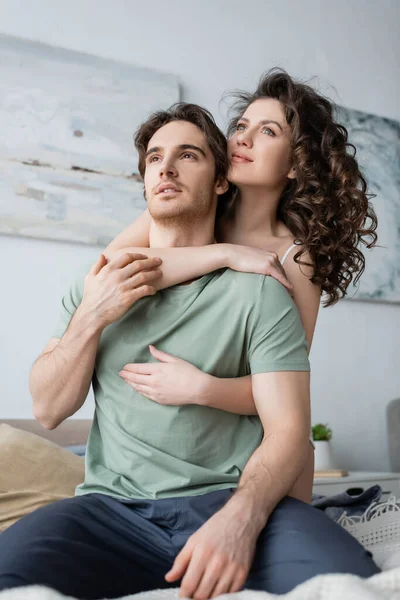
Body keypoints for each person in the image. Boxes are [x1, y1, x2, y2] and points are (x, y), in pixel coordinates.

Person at [0, 102, 379, 600]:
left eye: (187, 156)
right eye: (155, 159)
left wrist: (206, 394)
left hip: (230, 491)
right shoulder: (105, 279)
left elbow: (285, 413)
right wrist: (95, 312)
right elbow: (50, 404)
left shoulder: (278, 274)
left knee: (348, 580)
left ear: (221, 178)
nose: (167, 168)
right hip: (113, 508)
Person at [102, 69, 378, 504]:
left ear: (295, 164)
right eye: (240, 126)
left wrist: (200, 388)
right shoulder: (195, 205)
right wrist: (225, 254)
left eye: (267, 131)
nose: (243, 140)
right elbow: (109, 269)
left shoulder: (296, 259)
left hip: (265, 452)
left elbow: (283, 387)